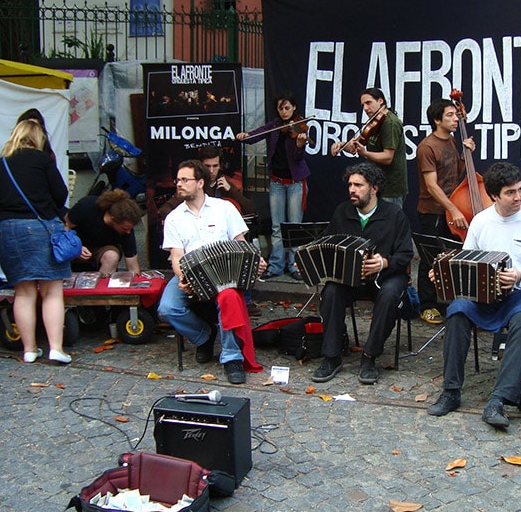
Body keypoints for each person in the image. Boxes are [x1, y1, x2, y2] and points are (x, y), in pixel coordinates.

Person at [427, 162, 521, 428]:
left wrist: (520, 275)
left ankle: (500, 398)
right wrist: (443, 274)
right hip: (483, 297)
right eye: (510, 192)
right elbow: (465, 261)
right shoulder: (482, 221)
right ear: (495, 195)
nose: (518, 197)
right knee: (457, 311)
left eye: (520, 190)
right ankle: (451, 391)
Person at [157, 160, 267, 384]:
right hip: (192, 273)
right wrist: (182, 278)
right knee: (167, 308)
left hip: (225, 275)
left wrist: (256, 262)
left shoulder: (224, 208)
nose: (179, 184)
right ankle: (203, 336)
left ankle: (231, 358)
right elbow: (176, 257)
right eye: (177, 180)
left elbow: (241, 243)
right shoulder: (174, 218)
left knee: (229, 297)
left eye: (184, 180)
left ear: (200, 182)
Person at [312, 162, 413, 385]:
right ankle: (332, 356)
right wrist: (311, 261)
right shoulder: (342, 212)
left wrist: (385, 262)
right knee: (330, 292)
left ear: (374, 188)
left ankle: (369, 356)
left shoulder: (394, 215)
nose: (352, 190)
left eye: (358, 185)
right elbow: (325, 244)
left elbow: (406, 254)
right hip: (350, 277)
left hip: (387, 276)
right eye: (350, 185)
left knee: (389, 295)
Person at [0, 119, 72, 364]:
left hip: (8, 230)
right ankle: (55, 348)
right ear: (38, 138)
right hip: (41, 228)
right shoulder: (42, 160)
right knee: (52, 290)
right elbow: (60, 194)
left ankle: (30, 349)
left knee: (23, 291)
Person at [237, 91, 310, 280]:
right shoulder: (275, 126)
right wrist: (246, 135)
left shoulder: (299, 127)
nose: (284, 112)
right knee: (276, 227)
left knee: (294, 226)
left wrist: (300, 145)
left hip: (295, 183)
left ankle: (294, 266)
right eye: (281, 108)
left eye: (287, 108)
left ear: (294, 108)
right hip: (277, 182)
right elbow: (257, 134)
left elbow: (297, 158)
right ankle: (276, 265)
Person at [415, 98, 475, 324]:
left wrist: (464, 155)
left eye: (455, 114)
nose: (455, 119)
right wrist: (453, 208)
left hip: (451, 209)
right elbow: (431, 185)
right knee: (430, 257)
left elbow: (455, 173)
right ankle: (427, 305)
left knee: (454, 253)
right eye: (450, 115)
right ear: (436, 120)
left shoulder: (450, 140)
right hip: (432, 211)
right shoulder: (427, 147)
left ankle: (451, 301)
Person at [331, 87, 408, 207]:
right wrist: (342, 145)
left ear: (380, 101)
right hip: (376, 183)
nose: (365, 108)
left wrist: (365, 153)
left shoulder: (390, 123)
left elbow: (388, 157)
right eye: (363, 105)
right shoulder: (374, 122)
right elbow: (355, 147)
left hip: (391, 188)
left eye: (368, 103)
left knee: (388, 224)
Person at [65, 190, 142, 277]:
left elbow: (132, 265)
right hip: (75, 243)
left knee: (111, 256)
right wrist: (75, 245)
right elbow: (64, 226)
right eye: (125, 228)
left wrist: (137, 282)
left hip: (101, 250)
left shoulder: (127, 230)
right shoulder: (87, 206)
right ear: (113, 219)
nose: (128, 232)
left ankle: (103, 286)